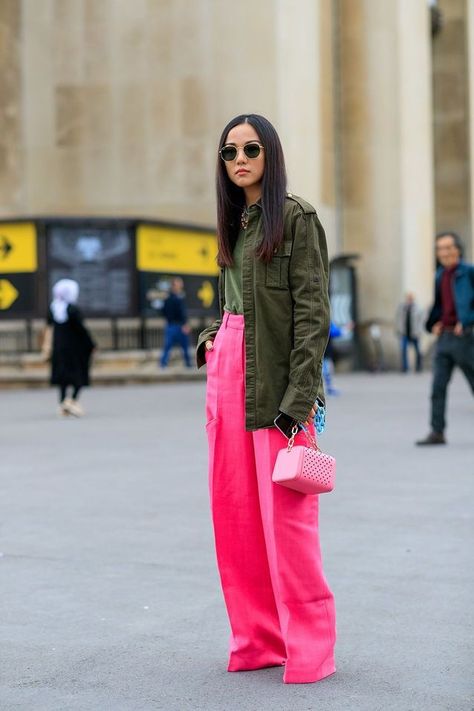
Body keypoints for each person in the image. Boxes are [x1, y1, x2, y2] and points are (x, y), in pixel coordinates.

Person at [196, 114, 335, 684]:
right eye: (230, 153)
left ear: (269, 154)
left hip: (276, 380)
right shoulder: (232, 221)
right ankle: (257, 639)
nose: (240, 159)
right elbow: (231, 299)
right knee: (235, 517)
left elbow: (313, 313)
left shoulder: (296, 217)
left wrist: (299, 399)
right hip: (227, 371)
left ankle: (311, 648)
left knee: (288, 522)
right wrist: (212, 341)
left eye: (251, 149)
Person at [416, 232, 474, 445]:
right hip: (445, 340)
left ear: (457, 249)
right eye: (440, 249)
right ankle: (437, 432)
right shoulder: (440, 275)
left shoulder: (468, 272)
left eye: (448, 247)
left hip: (465, 339)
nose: (444, 252)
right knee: (437, 387)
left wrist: (466, 322)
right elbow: (440, 306)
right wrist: (435, 324)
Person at [48, 279, 95, 417]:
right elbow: (81, 330)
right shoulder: (72, 309)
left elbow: (49, 327)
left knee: (63, 378)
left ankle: (63, 402)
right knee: (78, 376)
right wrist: (91, 344)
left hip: (59, 349)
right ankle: (71, 400)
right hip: (74, 350)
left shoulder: (53, 308)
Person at [160, 277, 192, 368]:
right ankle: (163, 364)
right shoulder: (169, 298)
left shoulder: (180, 297)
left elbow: (183, 313)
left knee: (185, 346)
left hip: (180, 325)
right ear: (174, 285)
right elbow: (165, 311)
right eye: (179, 284)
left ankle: (188, 364)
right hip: (173, 325)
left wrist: (185, 323)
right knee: (168, 346)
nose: (181, 285)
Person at [395, 293, 424, 373]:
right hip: (404, 333)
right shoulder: (402, 308)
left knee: (418, 350)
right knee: (403, 350)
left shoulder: (418, 308)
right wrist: (399, 330)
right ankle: (405, 367)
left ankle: (419, 367)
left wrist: (419, 331)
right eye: (408, 299)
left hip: (415, 333)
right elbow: (398, 319)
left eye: (410, 299)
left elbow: (421, 321)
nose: (409, 300)